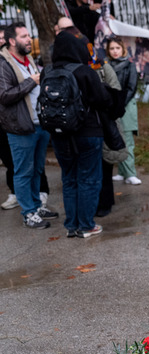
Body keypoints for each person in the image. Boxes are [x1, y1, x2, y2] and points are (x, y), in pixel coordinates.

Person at [48, 30, 112, 238]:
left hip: (59, 134)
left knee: (69, 178)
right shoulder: (84, 71)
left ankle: (71, 226)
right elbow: (103, 100)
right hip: (87, 132)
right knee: (89, 178)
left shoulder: (47, 73)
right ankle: (86, 225)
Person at [0, 22, 59, 228]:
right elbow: (4, 96)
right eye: (24, 36)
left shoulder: (29, 59)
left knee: (37, 170)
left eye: (28, 35)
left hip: (40, 125)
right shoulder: (3, 64)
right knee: (23, 171)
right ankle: (28, 213)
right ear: (12, 41)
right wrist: (31, 82)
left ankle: (36, 205)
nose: (29, 39)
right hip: (20, 128)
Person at [107, 36, 141, 186]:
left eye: (117, 48)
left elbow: (131, 88)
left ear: (122, 49)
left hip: (125, 107)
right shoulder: (107, 66)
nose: (115, 51)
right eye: (112, 48)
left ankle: (130, 173)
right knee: (116, 138)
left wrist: (119, 104)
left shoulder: (129, 66)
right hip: (112, 107)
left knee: (127, 139)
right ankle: (122, 171)